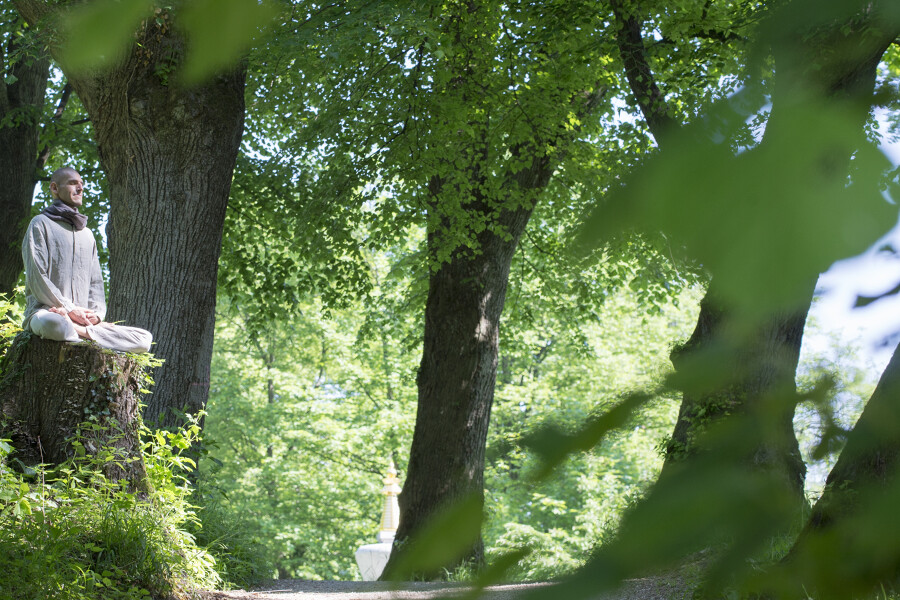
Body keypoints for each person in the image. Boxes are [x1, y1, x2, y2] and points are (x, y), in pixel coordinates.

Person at [21, 167, 153, 354]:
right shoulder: (40, 223)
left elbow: (96, 284)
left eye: (82, 184)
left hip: (80, 322)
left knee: (144, 339)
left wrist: (97, 317)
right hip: (47, 313)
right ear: (54, 188)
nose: (80, 188)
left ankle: (79, 332)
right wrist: (67, 309)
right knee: (54, 325)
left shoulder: (88, 235)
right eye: (73, 183)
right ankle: (90, 337)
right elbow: (37, 277)